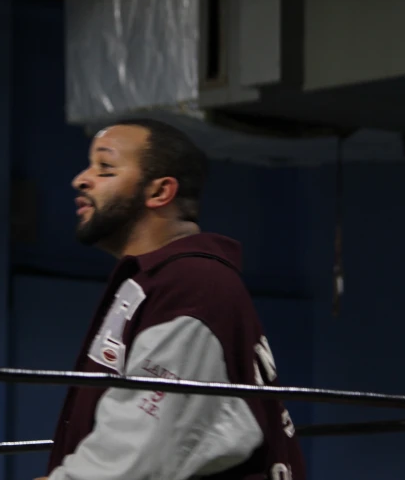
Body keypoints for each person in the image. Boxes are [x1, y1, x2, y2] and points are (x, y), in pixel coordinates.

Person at [39, 118, 305, 480]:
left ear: (159, 192)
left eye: (105, 167)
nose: (81, 179)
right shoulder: (162, 280)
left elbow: (142, 449)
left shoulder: (192, 286)